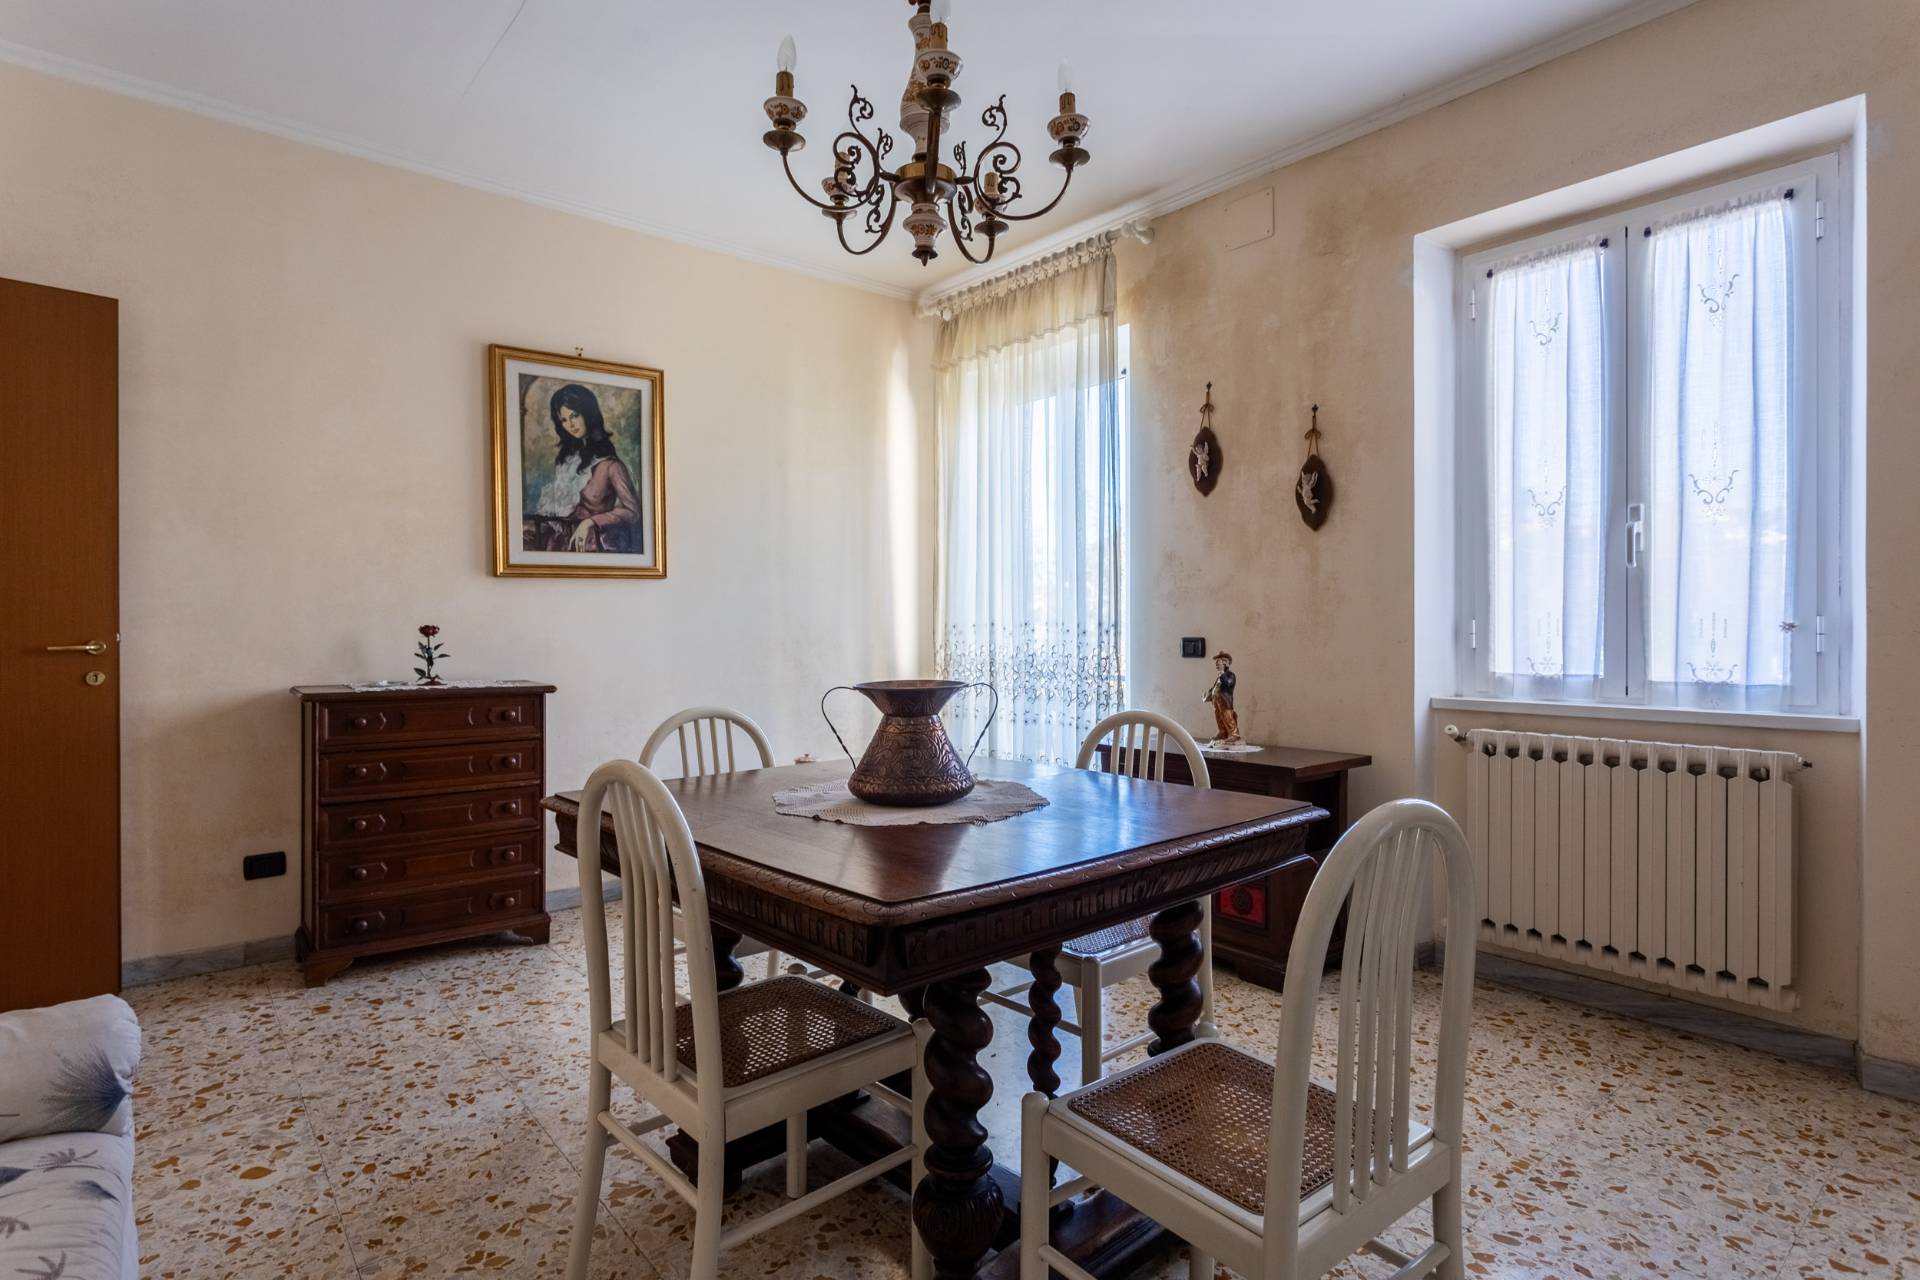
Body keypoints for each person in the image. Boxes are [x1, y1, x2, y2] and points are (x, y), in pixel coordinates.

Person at [546, 383, 641, 553]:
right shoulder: (566, 463)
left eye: (575, 415)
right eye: (564, 420)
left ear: (588, 414)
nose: (570, 424)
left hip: (596, 546)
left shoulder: (611, 465)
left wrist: (591, 522)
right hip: (562, 547)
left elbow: (633, 512)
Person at [1203, 651, 1240, 745]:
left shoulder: (1230, 675)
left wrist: (1222, 674)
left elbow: (1228, 683)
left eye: (1219, 662)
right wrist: (1208, 696)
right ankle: (1222, 732)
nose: (1217, 665)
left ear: (1226, 662)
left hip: (1225, 701)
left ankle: (1234, 734)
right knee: (1219, 717)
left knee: (1228, 717)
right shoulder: (1220, 676)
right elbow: (1215, 687)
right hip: (1217, 701)